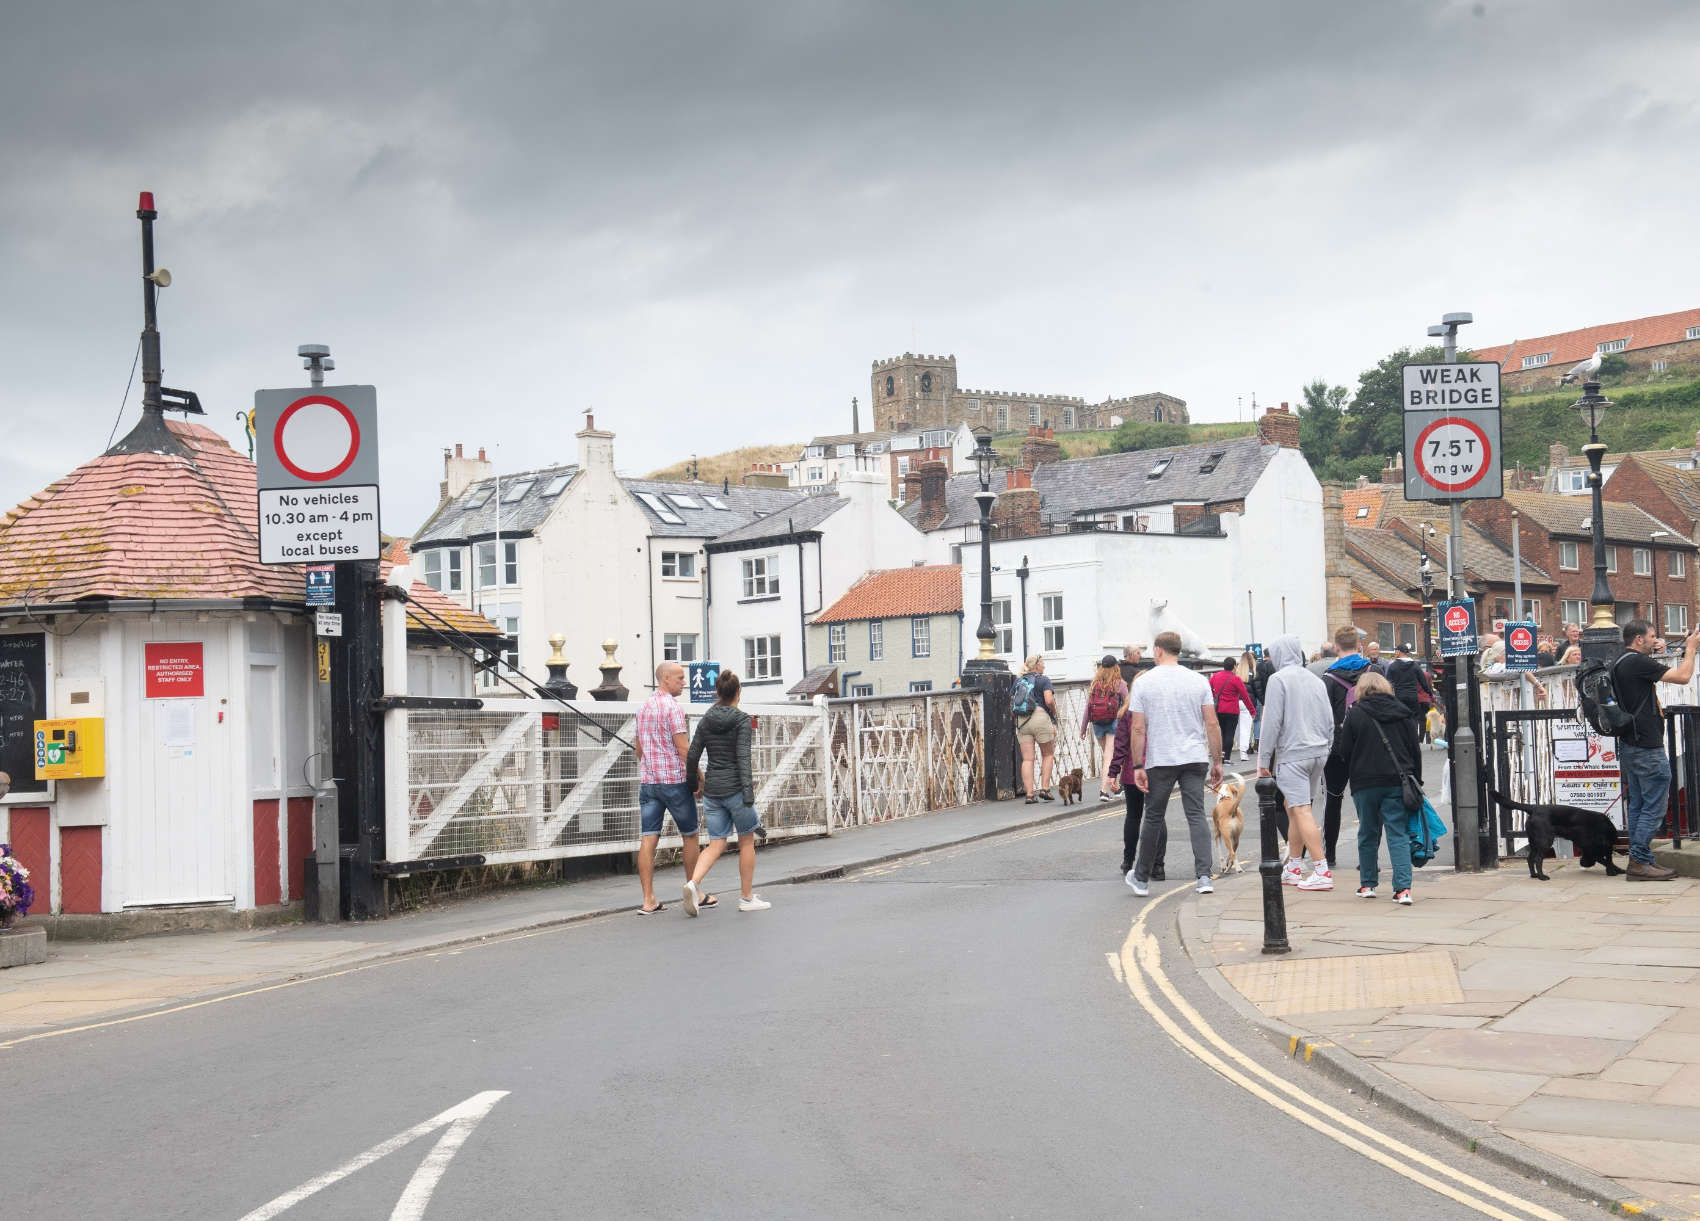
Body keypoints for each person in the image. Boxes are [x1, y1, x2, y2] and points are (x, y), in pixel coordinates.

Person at [1125, 630, 1223, 897]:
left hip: (1161, 759)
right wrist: (1217, 761)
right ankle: (1204, 877)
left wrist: (1137, 766)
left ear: (1158, 650)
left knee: (1154, 817)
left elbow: (1137, 729)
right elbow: (1211, 723)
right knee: (1196, 815)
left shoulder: (1145, 683)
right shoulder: (1198, 681)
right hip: (1194, 757)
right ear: (1178, 650)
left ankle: (1142, 879)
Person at [1612, 619, 1700, 881]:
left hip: (1631, 744)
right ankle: (1639, 862)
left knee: (1639, 805)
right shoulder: (1637, 662)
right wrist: (1692, 648)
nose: (1655, 640)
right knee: (1654, 807)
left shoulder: (1620, 661)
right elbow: (1683, 677)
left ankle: (1642, 861)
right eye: (1651, 636)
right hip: (1646, 747)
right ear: (1638, 639)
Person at [1331, 671, 1422, 905]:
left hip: (1365, 783)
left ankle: (1368, 884)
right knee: (1398, 833)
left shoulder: (1356, 714)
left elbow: (1344, 751)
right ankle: (1403, 889)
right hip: (1397, 781)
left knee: (1368, 832)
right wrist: (1416, 780)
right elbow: (1415, 750)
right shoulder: (1403, 713)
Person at [683, 669, 770, 913]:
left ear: (718, 693)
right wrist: (748, 795)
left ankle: (693, 883)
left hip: (713, 791)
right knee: (746, 841)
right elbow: (743, 757)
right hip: (735, 790)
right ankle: (746, 898)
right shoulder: (741, 720)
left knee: (716, 843)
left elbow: (692, 755)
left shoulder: (706, 719)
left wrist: (693, 785)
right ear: (738, 692)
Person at [1257, 634, 1337, 891]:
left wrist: (1264, 759)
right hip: (1318, 752)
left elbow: (1271, 723)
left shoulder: (1278, 680)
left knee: (1302, 810)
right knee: (1292, 806)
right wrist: (1326, 748)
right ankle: (1293, 866)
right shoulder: (1315, 680)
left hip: (1293, 755)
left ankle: (1321, 870)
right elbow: (1330, 720)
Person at [633, 661, 706, 914]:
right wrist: (698, 776)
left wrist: (650, 765)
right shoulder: (673, 708)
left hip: (649, 783)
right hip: (674, 782)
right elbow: (684, 748)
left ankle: (648, 899)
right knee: (690, 834)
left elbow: (639, 749)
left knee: (648, 838)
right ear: (665, 679)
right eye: (679, 678)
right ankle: (694, 890)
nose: (684, 682)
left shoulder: (643, 708)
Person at [1318, 624, 1371, 866]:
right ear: (1359, 646)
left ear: (1336, 647)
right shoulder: (1373, 672)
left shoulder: (1328, 678)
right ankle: (1367, 858)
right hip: (1367, 747)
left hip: (1337, 748)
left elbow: (1323, 717)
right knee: (1367, 803)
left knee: (1333, 800)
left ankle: (1329, 857)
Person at [1107, 671, 1166, 879]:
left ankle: (1128, 861)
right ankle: (1158, 867)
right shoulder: (1161, 710)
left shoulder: (1127, 713)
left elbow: (1121, 746)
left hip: (1133, 771)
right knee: (1157, 816)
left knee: (1133, 816)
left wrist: (1112, 773)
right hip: (1158, 768)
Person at [1080, 655, 1129, 802]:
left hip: (1097, 723)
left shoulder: (1095, 683)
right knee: (1110, 757)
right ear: (1116, 667)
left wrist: (1083, 728)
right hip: (1114, 722)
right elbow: (1127, 705)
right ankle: (1103, 791)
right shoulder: (1120, 684)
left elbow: (1088, 707)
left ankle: (1117, 787)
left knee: (1109, 756)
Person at [1015, 654, 1059, 803]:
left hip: (1022, 721)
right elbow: (1049, 700)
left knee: (1027, 759)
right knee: (1047, 754)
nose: (1044, 666)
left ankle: (1029, 794)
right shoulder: (1044, 680)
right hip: (1040, 718)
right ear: (1037, 665)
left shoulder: (1019, 681)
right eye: (1043, 663)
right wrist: (1053, 713)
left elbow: (1012, 705)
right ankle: (1045, 789)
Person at [1209, 656, 1256, 764]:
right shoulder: (1236, 679)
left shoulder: (1215, 676)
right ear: (1234, 666)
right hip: (1232, 711)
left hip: (1219, 709)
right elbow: (1245, 696)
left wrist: (1214, 696)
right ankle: (1227, 758)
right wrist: (1252, 711)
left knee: (1221, 733)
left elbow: (1209, 689)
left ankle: (1220, 757)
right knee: (1229, 734)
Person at [1248, 648, 1275, 754]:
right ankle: (1258, 742)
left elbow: (1258, 684)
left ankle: (1249, 744)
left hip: (1257, 696)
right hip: (1265, 697)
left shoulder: (1258, 666)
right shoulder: (1273, 665)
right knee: (1259, 720)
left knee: (1249, 722)